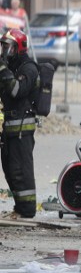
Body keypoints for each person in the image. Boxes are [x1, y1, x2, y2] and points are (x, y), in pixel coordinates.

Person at [0, 31, 40, 219]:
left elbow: (16, 90)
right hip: (9, 127)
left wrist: (2, 69)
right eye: (4, 46)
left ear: (19, 47)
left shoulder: (28, 68)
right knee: (9, 169)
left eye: (8, 46)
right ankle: (20, 207)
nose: (5, 50)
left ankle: (28, 210)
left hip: (22, 127)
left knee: (21, 170)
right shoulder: (10, 66)